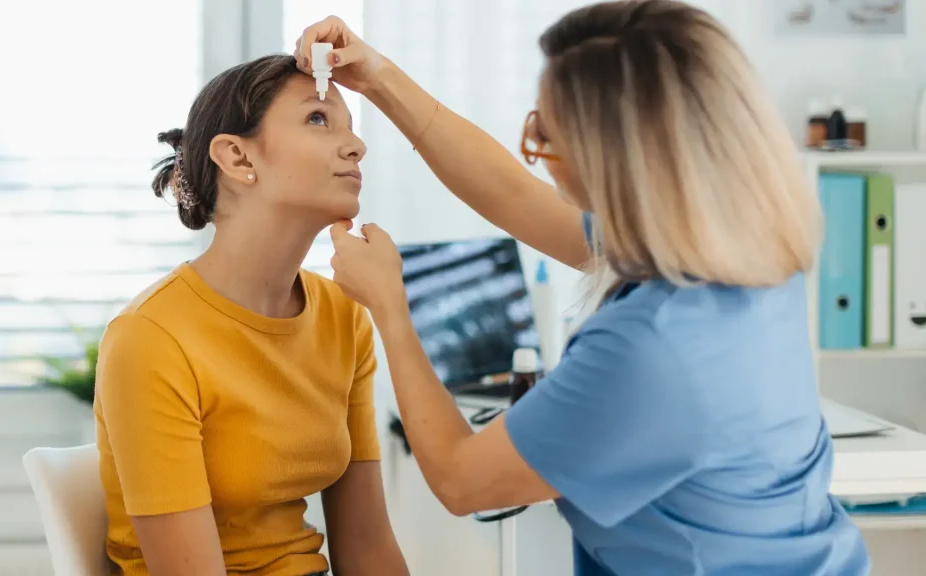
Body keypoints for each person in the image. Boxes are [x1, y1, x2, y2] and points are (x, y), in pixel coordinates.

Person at [295, 2, 870, 575]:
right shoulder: (740, 244)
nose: (537, 154)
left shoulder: (651, 349)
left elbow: (461, 479)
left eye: (548, 133)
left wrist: (392, 308)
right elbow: (514, 196)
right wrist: (378, 77)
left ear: (616, 160)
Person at [93, 54, 408, 576]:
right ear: (238, 158)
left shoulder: (342, 315)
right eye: (317, 118)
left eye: (350, 128)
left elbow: (368, 549)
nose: (357, 146)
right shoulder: (151, 338)